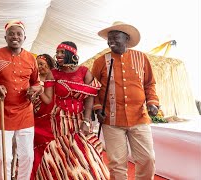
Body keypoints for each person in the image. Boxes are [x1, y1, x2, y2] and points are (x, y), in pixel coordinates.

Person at [30, 41, 110, 180]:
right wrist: (39, 90)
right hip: (60, 120)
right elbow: (48, 99)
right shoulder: (53, 73)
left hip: (80, 118)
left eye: (62, 52)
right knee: (64, 154)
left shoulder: (84, 71)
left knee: (84, 153)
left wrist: (86, 120)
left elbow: (90, 96)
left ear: (72, 54)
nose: (58, 55)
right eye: (57, 52)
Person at [91, 21, 159, 179]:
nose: (111, 41)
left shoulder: (141, 58)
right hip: (111, 121)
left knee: (147, 159)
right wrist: (97, 108)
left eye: (115, 37)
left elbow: (150, 84)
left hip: (139, 118)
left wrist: (152, 103)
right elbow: (93, 89)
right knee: (117, 163)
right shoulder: (101, 61)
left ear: (126, 38)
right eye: (109, 38)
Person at [0, 20, 42, 180]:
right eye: (11, 34)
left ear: (24, 37)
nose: (15, 37)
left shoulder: (31, 58)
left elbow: (36, 82)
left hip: (25, 114)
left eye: (19, 34)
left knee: (27, 156)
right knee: (3, 157)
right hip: (1, 112)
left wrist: (33, 90)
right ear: (5, 37)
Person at [30, 54, 55, 179]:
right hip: (36, 119)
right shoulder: (33, 81)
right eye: (37, 64)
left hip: (52, 121)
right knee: (36, 149)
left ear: (50, 65)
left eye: (41, 64)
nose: (39, 67)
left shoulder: (56, 80)